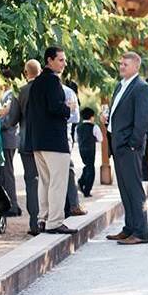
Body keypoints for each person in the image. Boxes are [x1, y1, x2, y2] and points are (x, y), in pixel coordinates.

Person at [26, 46, 77, 234]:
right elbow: (55, 108)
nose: (64, 63)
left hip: (38, 141)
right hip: (54, 141)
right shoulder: (53, 82)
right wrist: (68, 108)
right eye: (60, 60)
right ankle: (54, 222)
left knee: (45, 181)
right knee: (57, 181)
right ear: (49, 60)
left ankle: (43, 219)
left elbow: (32, 114)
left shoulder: (36, 83)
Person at [104, 52, 148, 245]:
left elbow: (142, 119)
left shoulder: (142, 88)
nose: (121, 66)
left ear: (135, 67)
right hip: (118, 145)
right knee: (124, 189)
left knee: (134, 189)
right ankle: (129, 228)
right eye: (120, 63)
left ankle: (141, 232)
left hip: (129, 147)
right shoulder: (120, 86)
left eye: (125, 64)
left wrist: (133, 144)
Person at [12, 59, 41, 235]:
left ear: (25, 72)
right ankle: (48, 219)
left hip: (26, 143)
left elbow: (13, 119)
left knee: (31, 182)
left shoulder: (21, 92)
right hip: (45, 143)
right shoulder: (48, 88)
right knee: (47, 181)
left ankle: (34, 223)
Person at [0, 68, 22, 216]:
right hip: (10, 137)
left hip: (8, 136)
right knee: (7, 171)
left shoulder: (10, 94)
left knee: (7, 172)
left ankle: (12, 205)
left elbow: (9, 119)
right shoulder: (11, 93)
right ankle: (11, 204)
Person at [62, 82, 86, 217]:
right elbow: (75, 117)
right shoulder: (68, 92)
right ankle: (71, 205)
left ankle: (71, 205)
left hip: (63, 137)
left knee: (67, 170)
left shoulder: (67, 92)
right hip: (57, 139)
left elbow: (75, 117)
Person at [77, 107, 103, 197]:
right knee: (91, 170)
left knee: (87, 166)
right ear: (92, 117)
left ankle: (81, 182)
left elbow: (77, 138)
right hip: (90, 150)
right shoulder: (94, 127)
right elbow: (100, 139)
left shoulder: (78, 127)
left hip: (81, 150)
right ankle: (86, 190)